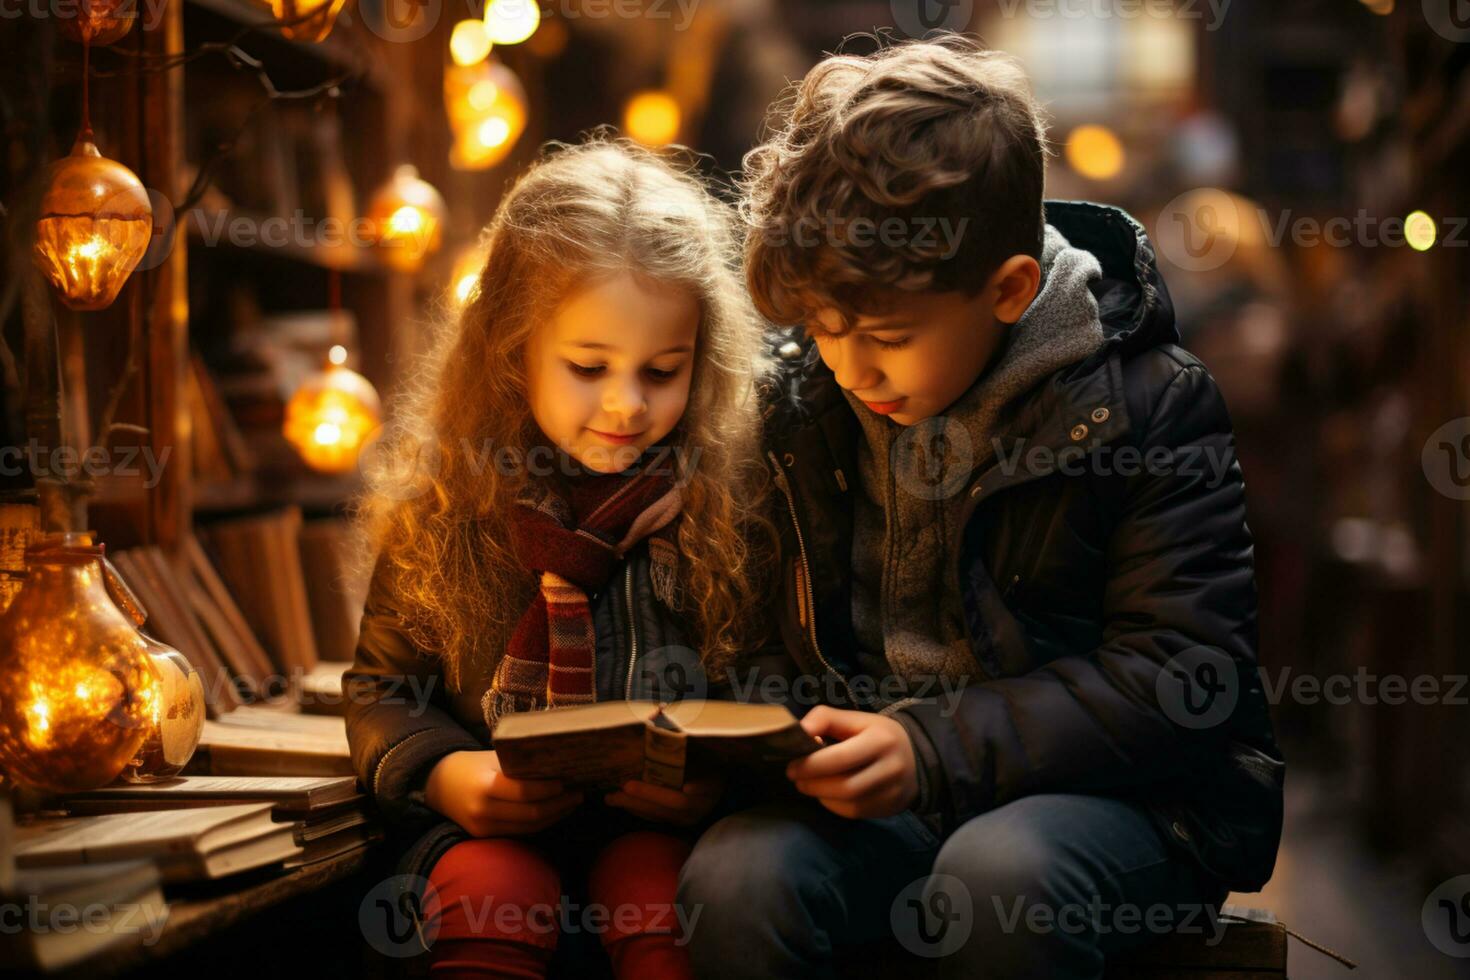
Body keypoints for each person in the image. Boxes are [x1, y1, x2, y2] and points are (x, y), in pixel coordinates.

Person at [678, 35, 1286, 979]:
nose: (848, 366)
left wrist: (930, 746)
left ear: (1010, 290)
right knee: (738, 878)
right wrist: (779, 730)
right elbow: (761, 629)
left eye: (884, 335)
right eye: (822, 330)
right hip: (878, 800)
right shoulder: (805, 399)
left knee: (997, 880)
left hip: (1118, 803)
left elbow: (1179, 674)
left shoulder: (1150, 403)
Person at [345, 137, 777, 980]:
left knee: (661, 900)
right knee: (491, 892)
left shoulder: (730, 500)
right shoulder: (448, 500)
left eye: (662, 371)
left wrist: (714, 785)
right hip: (483, 825)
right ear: (513, 350)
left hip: (659, 829)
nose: (625, 403)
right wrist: (443, 774)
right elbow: (382, 688)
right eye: (587, 367)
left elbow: (761, 680)